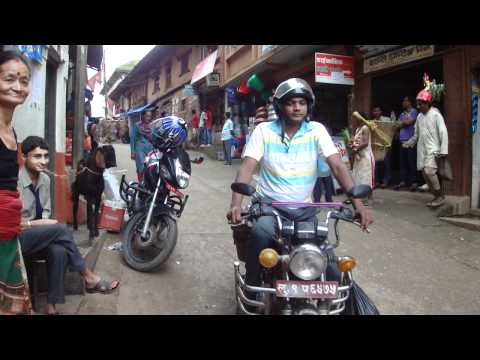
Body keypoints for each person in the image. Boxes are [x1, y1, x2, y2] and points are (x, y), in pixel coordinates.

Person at [227, 78, 373, 291]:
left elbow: (338, 166)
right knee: (259, 234)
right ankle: (252, 288)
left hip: (305, 211)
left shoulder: (316, 130)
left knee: (330, 267)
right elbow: (247, 168)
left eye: (302, 103)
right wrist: (236, 204)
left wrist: (359, 205)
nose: (297, 108)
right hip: (270, 209)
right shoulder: (264, 131)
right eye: (291, 102)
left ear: (308, 106)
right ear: (280, 106)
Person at [18, 136, 119, 315]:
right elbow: (12, 223)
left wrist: (44, 224)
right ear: (24, 157)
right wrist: (38, 223)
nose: (43, 161)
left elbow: (47, 213)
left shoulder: (45, 180)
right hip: (18, 238)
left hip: (37, 235)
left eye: (46, 156)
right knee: (61, 229)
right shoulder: (15, 182)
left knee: (59, 251)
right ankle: (88, 276)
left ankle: (51, 307)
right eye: (37, 156)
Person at [0, 50, 33, 315]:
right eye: (9, 78)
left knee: (15, 304)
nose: (17, 87)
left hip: (8, 232)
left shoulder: (11, 130)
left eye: (23, 80)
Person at [403, 88, 449, 208]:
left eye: (421, 104)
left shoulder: (436, 115)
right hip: (422, 150)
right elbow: (416, 134)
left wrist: (444, 150)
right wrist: (409, 143)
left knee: (429, 171)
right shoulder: (419, 117)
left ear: (428, 104)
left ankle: (440, 196)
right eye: (418, 104)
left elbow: (443, 131)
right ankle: (436, 196)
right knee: (425, 174)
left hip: (433, 149)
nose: (418, 106)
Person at [349, 111, 375, 205]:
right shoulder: (358, 129)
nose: (354, 120)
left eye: (355, 118)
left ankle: (367, 198)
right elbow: (358, 141)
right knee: (358, 176)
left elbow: (365, 143)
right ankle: (361, 196)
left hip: (365, 157)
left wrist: (355, 150)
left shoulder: (365, 128)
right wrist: (352, 144)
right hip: (359, 157)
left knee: (366, 177)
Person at [394, 96, 419, 191]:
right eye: (403, 101)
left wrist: (402, 123)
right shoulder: (402, 113)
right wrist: (402, 123)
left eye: (405, 101)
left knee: (411, 162)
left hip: (411, 141)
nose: (403, 102)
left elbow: (410, 122)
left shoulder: (414, 112)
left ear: (410, 102)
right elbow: (396, 125)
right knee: (403, 163)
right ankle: (403, 181)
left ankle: (414, 182)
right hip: (402, 141)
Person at [130, 110, 154, 182]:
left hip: (150, 149)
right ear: (143, 116)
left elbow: (155, 137)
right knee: (141, 167)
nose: (148, 118)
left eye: (149, 116)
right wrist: (132, 152)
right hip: (140, 149)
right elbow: (132, 139)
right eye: (147, 116)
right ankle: (141, 183)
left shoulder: (152, 126)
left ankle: (148, 184)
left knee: (151, 167)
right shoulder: (137, 125)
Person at [372, 106, 392, 188]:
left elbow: (391, 129)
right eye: (374, 111)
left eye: (378, 111)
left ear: (381, 111)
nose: (376, 112)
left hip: (386, 144)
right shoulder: (372, 122)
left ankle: (386, 181)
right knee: (377, 164)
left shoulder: (387, 120)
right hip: (377, 145)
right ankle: (376, 181)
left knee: (386, 163)